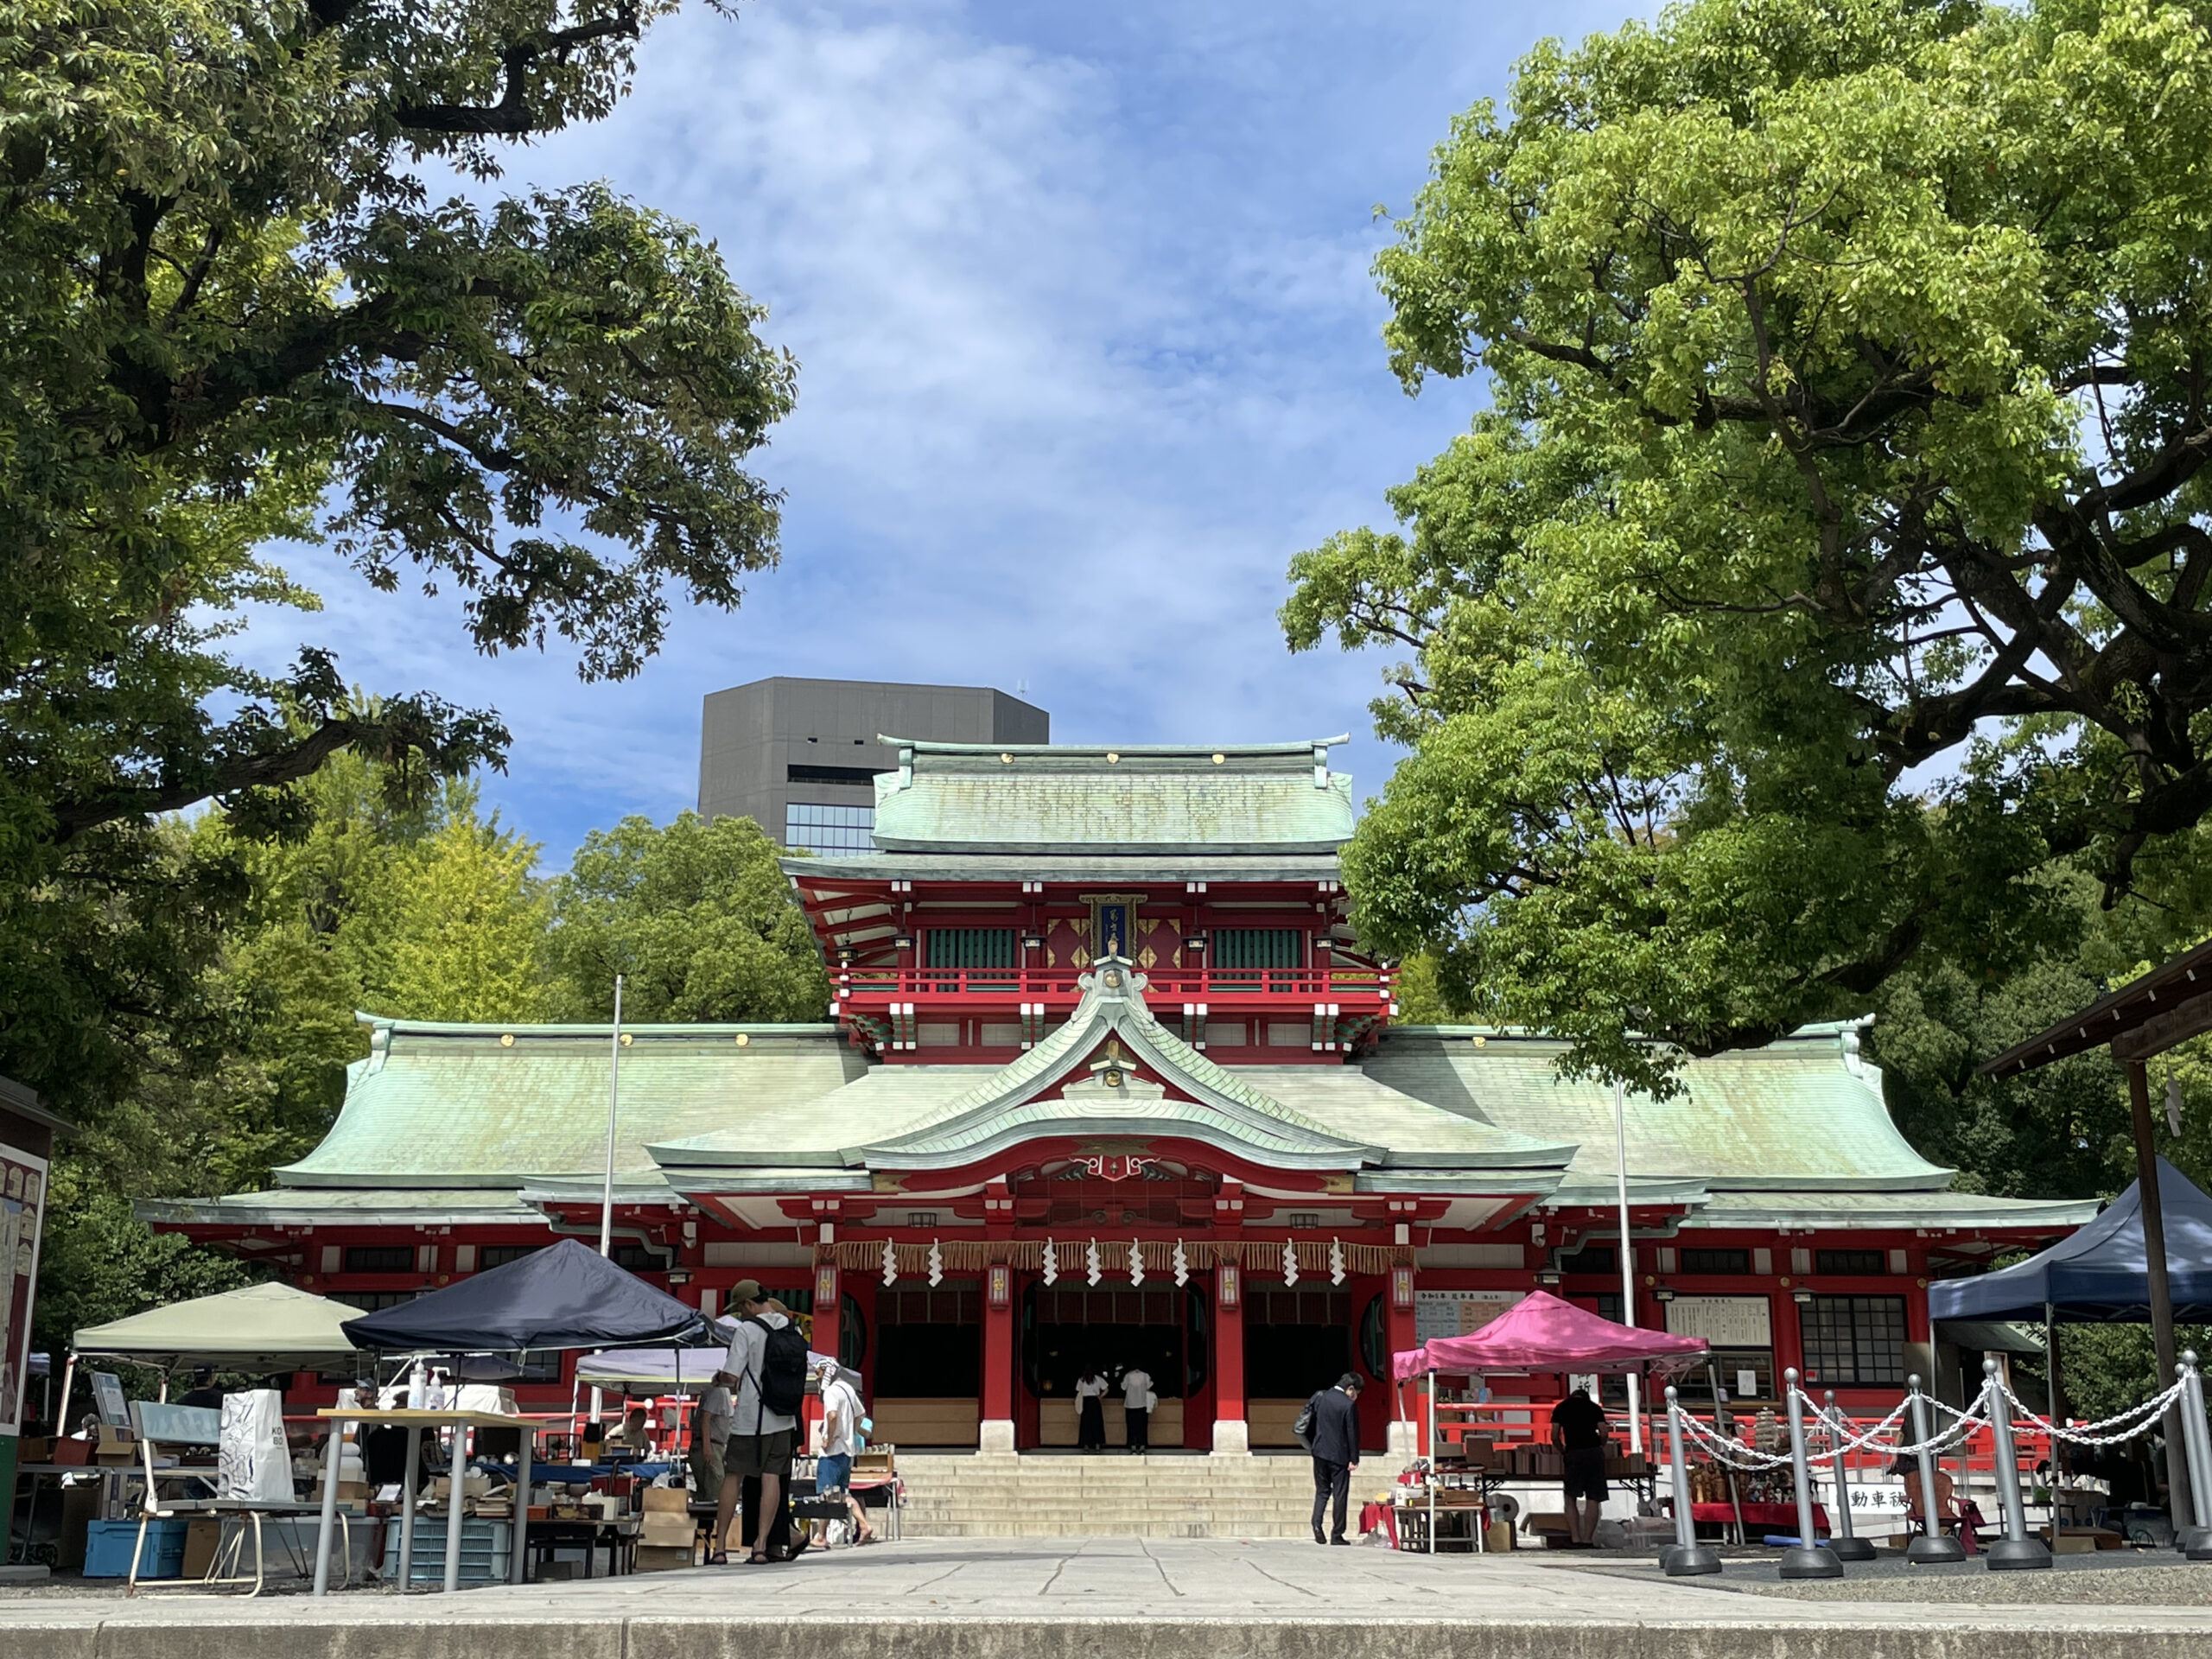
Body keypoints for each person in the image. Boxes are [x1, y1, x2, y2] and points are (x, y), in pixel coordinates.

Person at [711, 1280, 801, 1564]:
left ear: (749, 1304)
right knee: (772, 1477)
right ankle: (761, 1547)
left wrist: (718, 1379)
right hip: (784, 1417)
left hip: (751, 1418)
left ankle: (720, 1548)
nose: (740, 1314)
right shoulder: (792, 1328)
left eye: (740, 1309)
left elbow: (732, 1377)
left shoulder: (747, 1331)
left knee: (733, 1476)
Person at [811, 1357, 878, 1546]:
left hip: (833, 1452)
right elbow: (860, 1413)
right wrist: (851, 1432)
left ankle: (862, 1525)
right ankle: (822, 1535)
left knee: (829, 1494)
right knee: (837, 1494)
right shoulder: (847, 1388)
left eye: (818, 1372)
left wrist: (830, 1437)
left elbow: (832, 1415)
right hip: (847, 1451)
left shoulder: (831, 1391)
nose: (818, 1377)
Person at [1550, 1382, 1612, 1546]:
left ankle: (1575, 1538)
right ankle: (1588, 1539)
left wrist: (1561, 1449)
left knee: (1570, 1497)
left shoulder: (1561, 1408)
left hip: (1573, 1453)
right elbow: (1604, 1431)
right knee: (1593, 1497)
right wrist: (1601, 1444)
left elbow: (1554, 1435)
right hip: (1593, 1452)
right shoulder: (1594, 1408)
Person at [1304, 1372, 1363, 1545]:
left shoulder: (1321, 1397)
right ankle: (1337, 1534)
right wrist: (1354, 1458)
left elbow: (1309, 1421)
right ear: (1350, 1389)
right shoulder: (1348, 1405)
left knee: (1322, 1491)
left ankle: (1316, 1523)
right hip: (1339, 1456)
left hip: (1319, 1451)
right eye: (1356, 1393)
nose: (1356, 1397)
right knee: (1340, 1494)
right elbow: (1352, 1434)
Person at [1895, 1456, 1982, 1554]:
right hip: (1920, 1512)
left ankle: (1964, 1546)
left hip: (1942, 1512)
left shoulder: (1941, 1479)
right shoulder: (1913, 1479)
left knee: (1964, 1512)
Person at [1121, 1363, 1154, 1454]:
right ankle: (1142, 1446)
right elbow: (1149, 1386)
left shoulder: (1128, 1375)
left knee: (1131, 1427)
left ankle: (1133, 1446)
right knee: (1142, 1427)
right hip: (1142, 1404)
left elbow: (1123, 1387)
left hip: (1130, 1405)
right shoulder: (1145, 1375)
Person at [1075, 1369, 1109, 1453]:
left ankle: (1086, 1446)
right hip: (1095, 1402)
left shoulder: (1081, 1379)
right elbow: (1106, 1389)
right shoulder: (1098, 1378)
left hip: (1085, 1402)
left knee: (1086, 1424)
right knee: (1097, 1424)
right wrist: (1100, 1397)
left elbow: (1078, 1391)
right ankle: (1097, 1446)